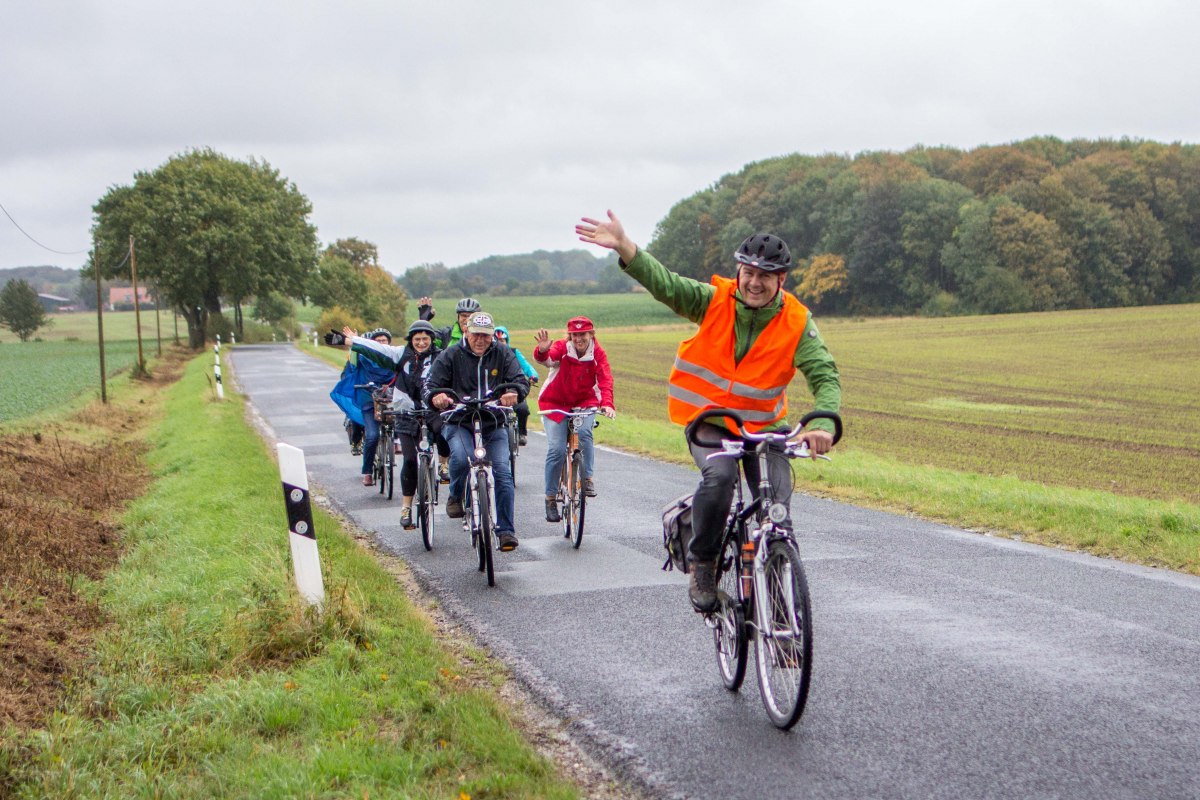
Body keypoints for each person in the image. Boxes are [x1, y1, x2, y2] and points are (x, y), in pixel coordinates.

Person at [576, 210, 841, 613]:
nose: (753, 282)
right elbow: (667, 285)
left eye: (764, 276)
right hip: (710, 424)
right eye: (747, 272)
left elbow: (824, 374)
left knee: (777, 515)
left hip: (765, 429)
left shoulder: (797, 322)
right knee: (718, 481)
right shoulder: (714, 301)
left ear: (781, 281)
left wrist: (822, 424)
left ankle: (783, 618)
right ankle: (704, 563)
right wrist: (627, 248)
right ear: (738, 271)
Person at [425, 312, 530, 552]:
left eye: (485, 336)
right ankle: (455, 495)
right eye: (476, 335)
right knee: (461, 459)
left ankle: (505, 531)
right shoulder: (450, 355)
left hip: (493, 420)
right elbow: (430, 386)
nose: (480, 340)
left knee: (503, 473)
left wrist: (514, 392)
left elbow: (520, 380)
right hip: (459, 420)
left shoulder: (503, 353)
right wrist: (437, 397)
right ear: (466, 332)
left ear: (492, 335)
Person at [532, 316, 615, 523]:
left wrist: (607, 403)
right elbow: (548, 359)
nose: (579, 339)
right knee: (557, 449)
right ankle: (550, 498)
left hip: (584, 401)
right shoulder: (562, 346)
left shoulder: (597, 353)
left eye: (583, 334)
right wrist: (542, 350)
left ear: (591, 334)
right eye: (575, 335)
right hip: (555, 403)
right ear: (570, 335)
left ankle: (587, 478)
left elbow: (605, 378)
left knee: (585, 433)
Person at [393, 320, 452, 529]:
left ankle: (444, 464)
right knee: (409, 460)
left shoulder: (440, 358)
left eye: (425, 339)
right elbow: (377, 352)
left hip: (433, 410)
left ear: (431, 340)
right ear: (411, 341)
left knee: (446, 430)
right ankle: (406, 507)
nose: (421, 342)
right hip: (406, 415)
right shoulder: (402, 359)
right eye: (417, 339)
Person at [337, 326, 406, 487]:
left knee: (402, 421)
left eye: (384, 340)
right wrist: (354, 342)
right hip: (369, 400)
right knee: (372, 435)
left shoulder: (394, 359)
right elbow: (352, 364)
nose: (382, 343)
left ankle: (395, 441)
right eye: (378, 341)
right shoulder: (363, 358)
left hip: (389, 400)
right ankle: (367, 472)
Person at [494, 325, 539, 446]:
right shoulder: (491, 355)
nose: (500, 343)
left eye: (502, 340)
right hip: (497, 392)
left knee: (523, 409)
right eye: (497, 341)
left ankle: (522, 433)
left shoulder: (514, 353)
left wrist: (533, 376)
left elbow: (526, 366)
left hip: (513, 390)